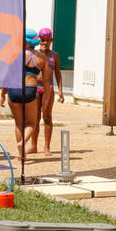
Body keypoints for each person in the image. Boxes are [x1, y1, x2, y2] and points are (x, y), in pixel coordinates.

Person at [33, 27, 65, 155]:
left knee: (47, 116)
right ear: (38, 40)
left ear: (51, 40)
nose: (45, 43)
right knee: (34, 118)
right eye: (42, 40)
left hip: (48, 89)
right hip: (35, 88)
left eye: (47, 40)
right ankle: (33, 146)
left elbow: (57, 73)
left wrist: (60, 90)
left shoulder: (54, 55)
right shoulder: (34, 54)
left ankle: (47, 147)